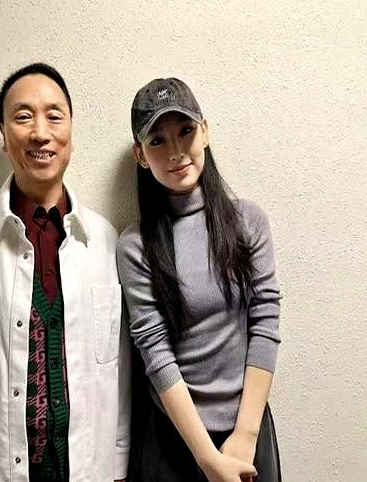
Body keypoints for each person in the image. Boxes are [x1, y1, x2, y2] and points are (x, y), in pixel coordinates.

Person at [0, 62, 130, 482]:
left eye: (54, 116)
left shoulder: (106, 244)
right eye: (22, 117)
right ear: (4, 135)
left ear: (71, 133)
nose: (40, 132)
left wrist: (119, 470)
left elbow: (118, 377)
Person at [117, 77, 282, 482]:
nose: (175, 151)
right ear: (140, 155)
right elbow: (156, 353)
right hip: (173, 441)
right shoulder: (135, 246)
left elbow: (265, 322)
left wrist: (245, 436)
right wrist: (209, 460)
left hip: (248, 432)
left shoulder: (247, 221)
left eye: (186, 131)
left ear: (205, 132)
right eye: (157, 140)